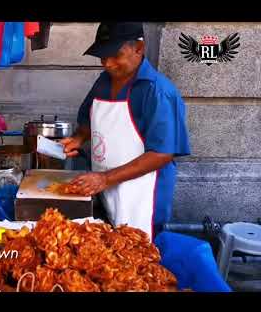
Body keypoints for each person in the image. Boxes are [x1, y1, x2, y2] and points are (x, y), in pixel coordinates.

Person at [60, 22, 191, 241]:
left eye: (115, 55)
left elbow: (162, 153)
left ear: (139, 48)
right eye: (102, 57)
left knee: (139, 258)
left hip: (141, 196)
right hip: (105, 188)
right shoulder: (103, 81)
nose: (108, 64)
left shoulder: (157, 91)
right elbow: (90, 119)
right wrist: (78, 138)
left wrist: (105, 178)